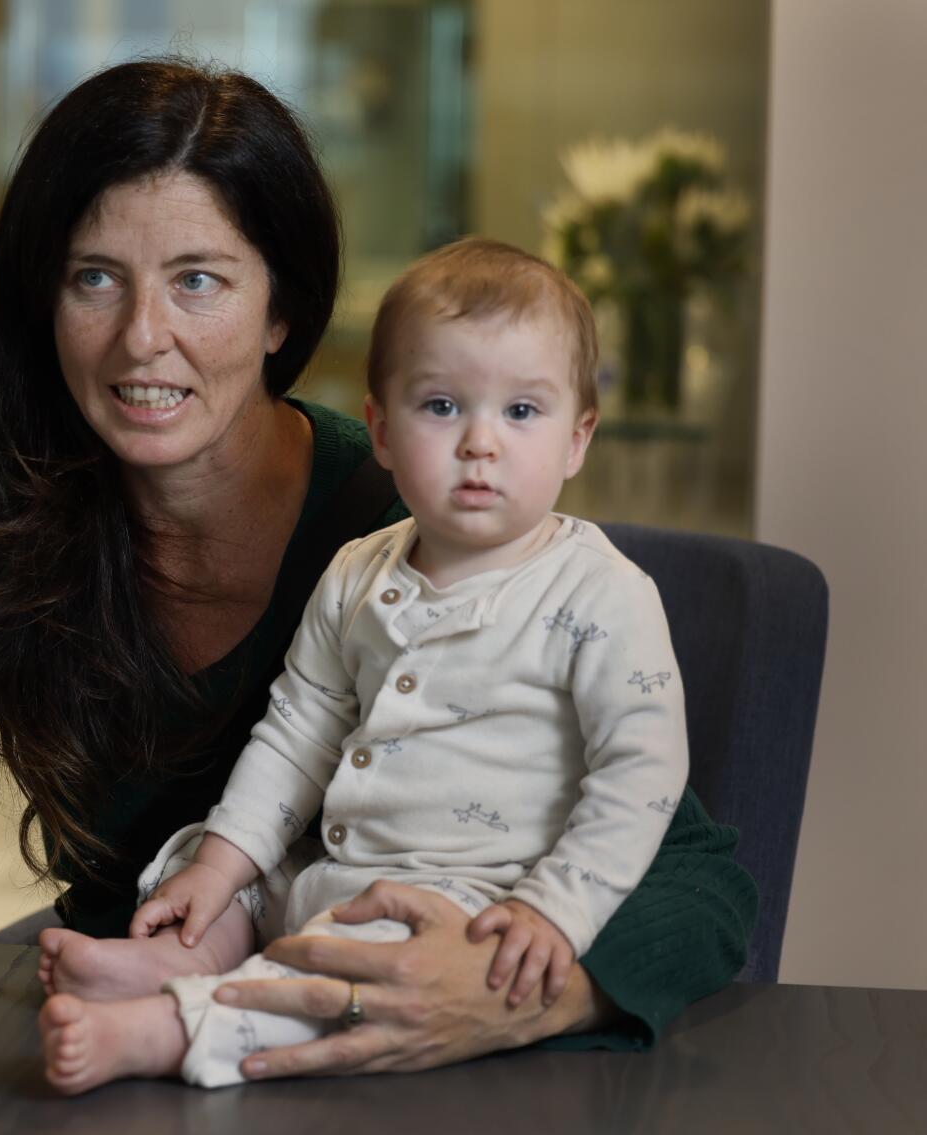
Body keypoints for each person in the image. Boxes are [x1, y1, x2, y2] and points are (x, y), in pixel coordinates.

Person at [0, 59, 756, 1111]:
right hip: (133, 1036)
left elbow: (698, 881)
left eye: (198, 280)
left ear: (282, 309)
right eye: (95, 278)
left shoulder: (409, 524)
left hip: (438, 1061)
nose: (142, 339)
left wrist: (511, 996)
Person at [36, 237, 688, 1093]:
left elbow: (642, 774)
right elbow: (298, 731)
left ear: (578, 438)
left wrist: (555, 909)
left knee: (357, 970)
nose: (480, 443)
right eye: (442, 406)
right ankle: (174, 957)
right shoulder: (356, 571)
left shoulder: (601, 594)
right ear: (381, 428)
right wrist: (222, 867)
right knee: (211, 850)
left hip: (464, 903)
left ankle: (172, 1028)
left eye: (523, 411)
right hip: (326, 872)